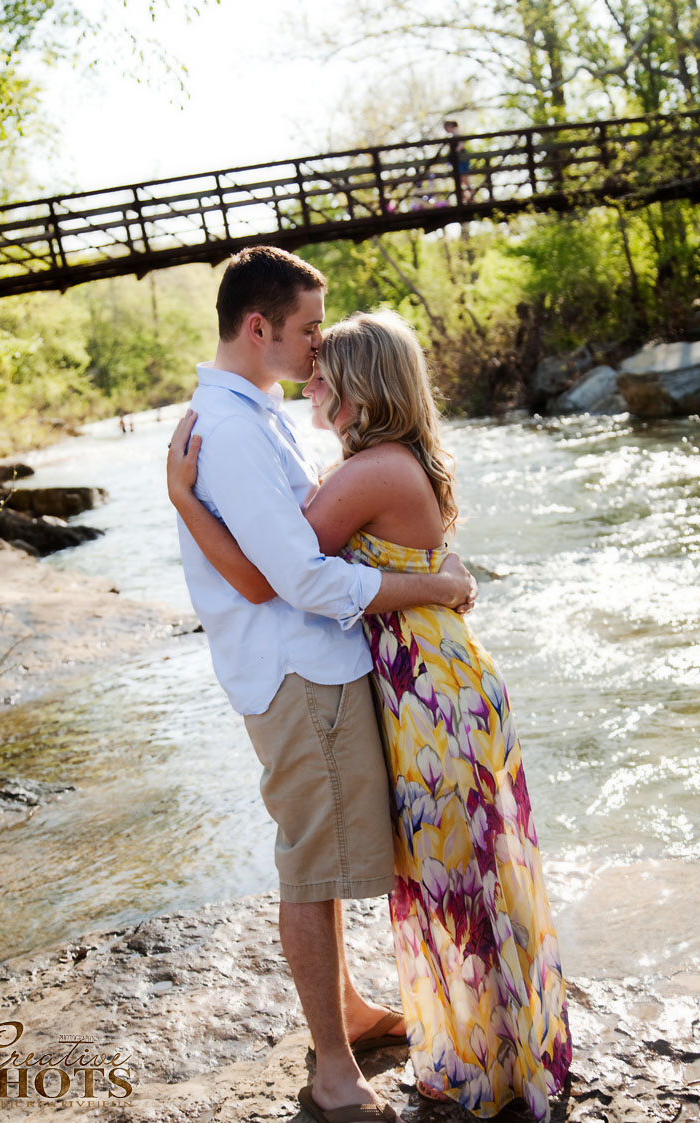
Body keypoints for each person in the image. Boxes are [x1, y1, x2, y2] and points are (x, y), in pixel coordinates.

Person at [167, 307, 573, 1122]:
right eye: (311, 361)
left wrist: (184, 499)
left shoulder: (370, 471)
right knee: (458, 872)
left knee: (458, 875)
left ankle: (489, 1062)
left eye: (327, 371)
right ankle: (489, 1047)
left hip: (430, 688)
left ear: (363, 387)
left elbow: (275, 572)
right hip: (428, 678)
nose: (312, 379)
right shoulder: (375, 462)